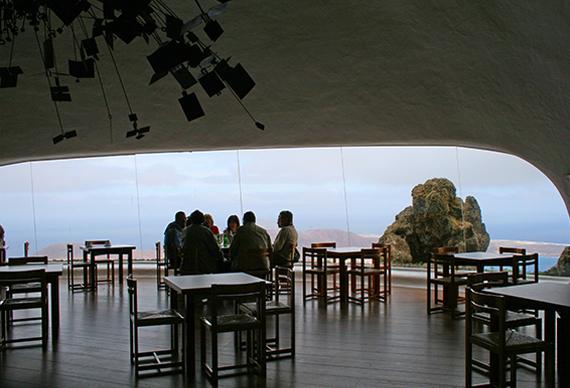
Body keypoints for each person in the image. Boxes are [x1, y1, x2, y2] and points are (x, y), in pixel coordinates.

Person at [180, 210, 223, 275]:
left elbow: (181, 248)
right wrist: (221, 257)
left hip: (186, 266)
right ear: (202, 220)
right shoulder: (206, 231)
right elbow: (214, 249)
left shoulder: (185, 231)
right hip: (204, 266)